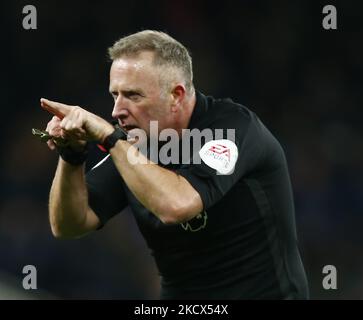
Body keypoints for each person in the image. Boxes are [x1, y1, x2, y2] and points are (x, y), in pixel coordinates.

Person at [41, 30, 309, 299]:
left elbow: (177, 205)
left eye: (133, 95)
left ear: (176, 95)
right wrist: (72, 156)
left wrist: (110, 139)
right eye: (115, 95)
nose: (116, 111)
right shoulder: (134, 145)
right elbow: (69, 225)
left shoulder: (233, 129)